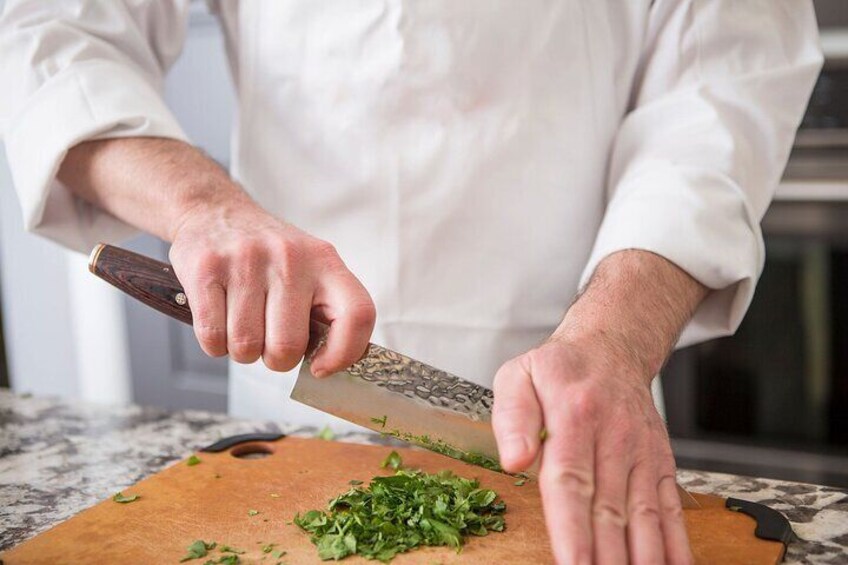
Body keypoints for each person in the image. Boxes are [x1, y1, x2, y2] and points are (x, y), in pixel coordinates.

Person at [0, 1, 821, 562]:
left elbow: (729, 77)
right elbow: (53, 29)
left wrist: (613, 336)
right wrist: (202, 206)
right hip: (285, 403)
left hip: (578, 400)